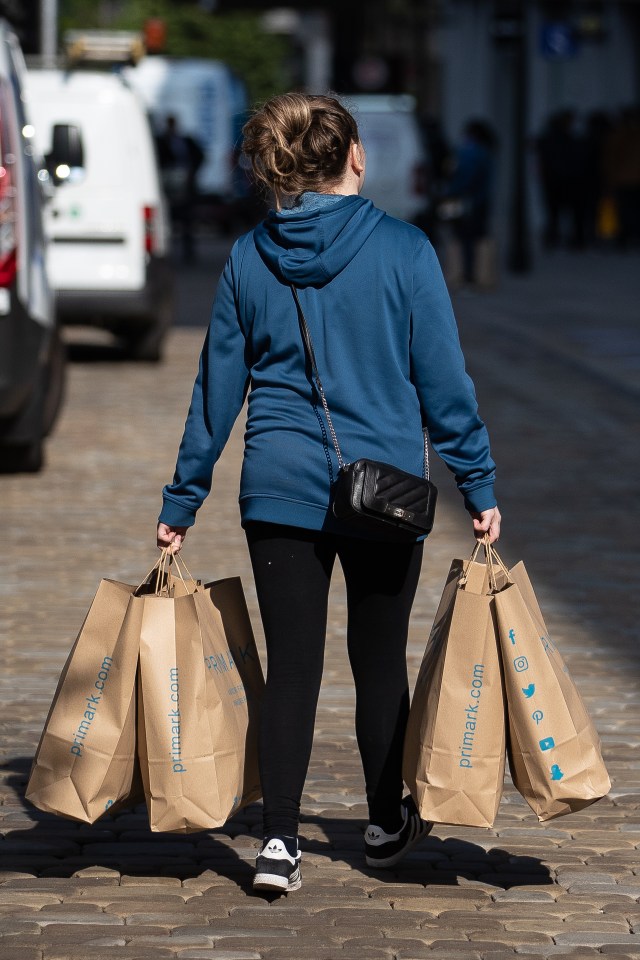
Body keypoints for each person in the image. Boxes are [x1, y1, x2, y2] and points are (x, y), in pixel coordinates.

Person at [157, 93, 500, 894]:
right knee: (378, 657)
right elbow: (444, 383)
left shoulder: (249, 255)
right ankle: (385, 825)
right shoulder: (407, 250)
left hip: (278, 485)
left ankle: (278, 845)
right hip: (387, 491)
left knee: (292, 666)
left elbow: (216, 391)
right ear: (355, 158)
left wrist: (183, 498)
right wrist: (476, 481)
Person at [440, 118, 496, 284]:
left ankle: (467, 277)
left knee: (464, 240)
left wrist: (449, 192)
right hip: (479, 202)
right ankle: (478, 276)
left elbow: (463, 178)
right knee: (476, 238)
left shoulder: (468, 152)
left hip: (465, 203)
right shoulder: (485, 152)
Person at [155, 115, 204, 262]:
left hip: (185, 187)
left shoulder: (186, 140)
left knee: (187, 221)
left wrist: (191, 172)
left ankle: (188, 253)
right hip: (167, 186)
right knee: (167, 221)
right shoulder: (161, 141)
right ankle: (165, 253)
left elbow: (199, 156)